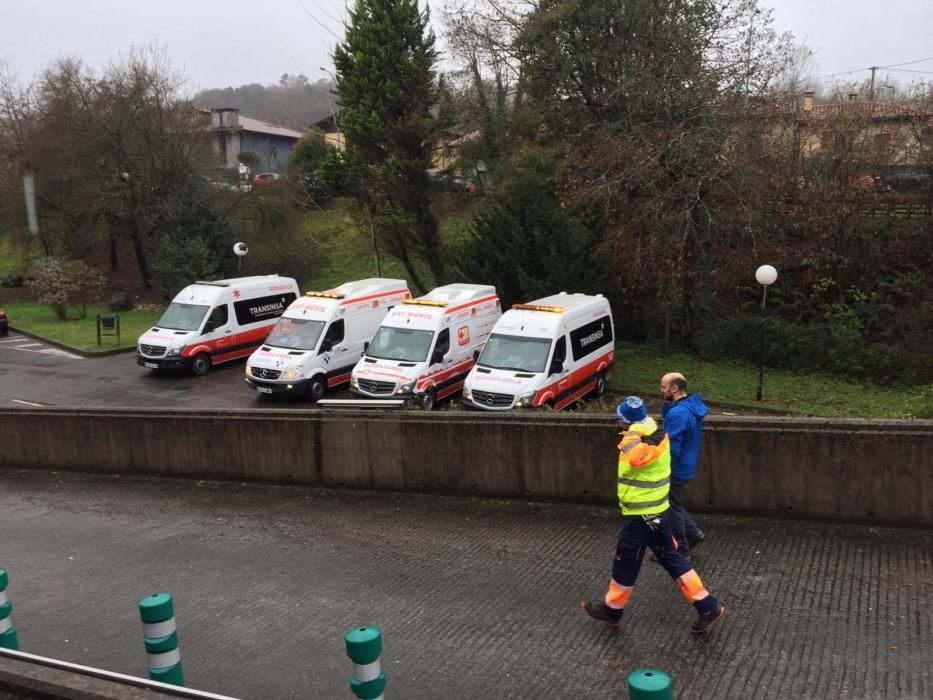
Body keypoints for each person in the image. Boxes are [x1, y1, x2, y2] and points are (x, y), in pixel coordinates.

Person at [581, 396, 725, 635]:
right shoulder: (656, 431)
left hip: (642, 515)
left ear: (627, 421)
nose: (618, 424)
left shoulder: (641, 440)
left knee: (626, 562)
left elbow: (636, 457)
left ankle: (612, 610)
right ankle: (707, 606)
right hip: (658, 512)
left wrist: (631, 432)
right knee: (673, 558)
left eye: (620, 420)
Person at [660, 372, 708, 558]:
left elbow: (672, 446)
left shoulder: (679, 413)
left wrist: (663, 468)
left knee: (672, 508)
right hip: (685, 463)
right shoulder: (687, 407)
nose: (661, 390)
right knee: (675, 503)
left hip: (675, 467)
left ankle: (680, 550)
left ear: (674, 388)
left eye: (664, 387)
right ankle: (693, 533)